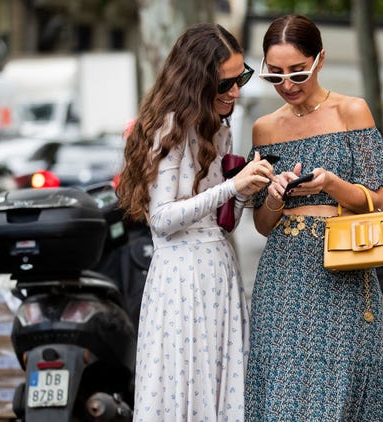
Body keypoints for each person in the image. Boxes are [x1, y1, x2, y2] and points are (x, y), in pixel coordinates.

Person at [117, 23, 274, 421]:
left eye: (241, 78)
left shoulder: (218, 130)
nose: (235, 92)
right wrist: (230, 187)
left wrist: (247, 188)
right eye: (225, 84)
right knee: (183, 393)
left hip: (219, 273)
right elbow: (163, 220)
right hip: (181, 279)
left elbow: (224, 223)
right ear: (197, 83)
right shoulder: (170, 126)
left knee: (219, 393)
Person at [245, 14, 383, 420]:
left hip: (343, 266)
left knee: (342, 383)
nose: (288, 85)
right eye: (275, 76)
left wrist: (331, 184)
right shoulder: (264, 129)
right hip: (283, 277)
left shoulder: (351, 111)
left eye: (298, 72)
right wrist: (276, 196)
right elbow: (262, 225)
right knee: (284, 388)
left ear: (320, 60)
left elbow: (378, 200)